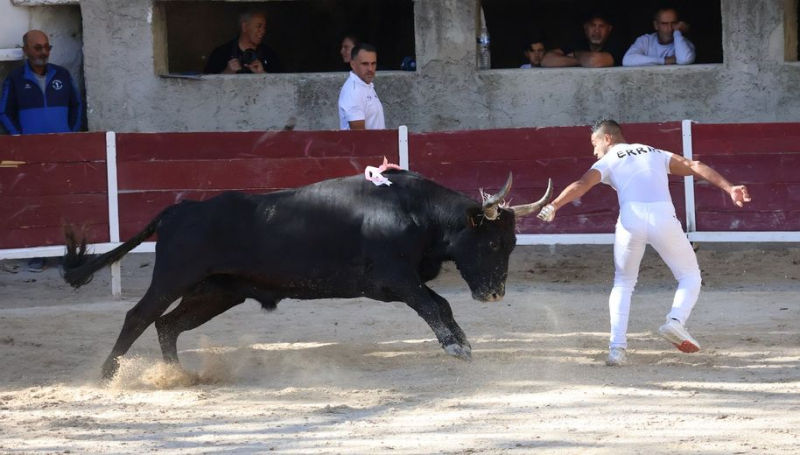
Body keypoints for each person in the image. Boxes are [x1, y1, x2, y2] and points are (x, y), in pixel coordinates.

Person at [536, 119, 751, 366]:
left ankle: (617, 350)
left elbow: (581, 185)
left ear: (608, 139)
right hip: (663, 217)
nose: (593, 151)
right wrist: (729, 187)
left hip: (631, 219)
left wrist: (554, 205)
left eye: (594, 143)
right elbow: (695, 165)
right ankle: (675, 321)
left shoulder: (608, 159)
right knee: (690, 275)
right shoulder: (654, 152)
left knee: (623, 283)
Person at [1, 29, 82, 273]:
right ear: (26, 50)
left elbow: (77, 107)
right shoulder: (14, 79)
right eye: (38, 48)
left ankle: (67, 253)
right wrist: (21, 140)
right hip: (31, 153)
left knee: (65, 201)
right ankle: (38, 253)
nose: (43, 52)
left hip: (62, 150)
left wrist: (70, 136)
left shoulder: (63, 74)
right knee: (36, 201)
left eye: (47, 47)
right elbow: (4, 112)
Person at [204, 11, 280, 74]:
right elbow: (205, 86)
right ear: (244, 27)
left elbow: (283, 87)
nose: (263, 31)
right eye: (259, 26)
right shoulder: (221, 53)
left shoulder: (270, 55)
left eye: (264, 27)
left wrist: (262, 74)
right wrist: (227, 72)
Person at [541, 12, 624, 68]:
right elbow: (546, 60)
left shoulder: (616, 44)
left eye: (601, 26)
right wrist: (581, 60)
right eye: (592, 25)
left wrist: (575, 54)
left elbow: (594, 61)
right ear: (585, 27)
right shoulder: (579, 43)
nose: (597, 31)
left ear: (609, 29)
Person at [623, 7, 696, 66]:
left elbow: (685, 59)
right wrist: (664, 60)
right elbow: (627, 60)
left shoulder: (684, 43)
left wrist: (677, 33)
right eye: (664, 24)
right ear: (656, 25)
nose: (670, 28)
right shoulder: (646, 40)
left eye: (674, 23)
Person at [338, 43, 385, 130]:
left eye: (373, 63)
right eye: (365, 64)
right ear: (353, 65)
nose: (370, 69)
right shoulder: (353, 91)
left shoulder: (365, 84)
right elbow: (360, 137)